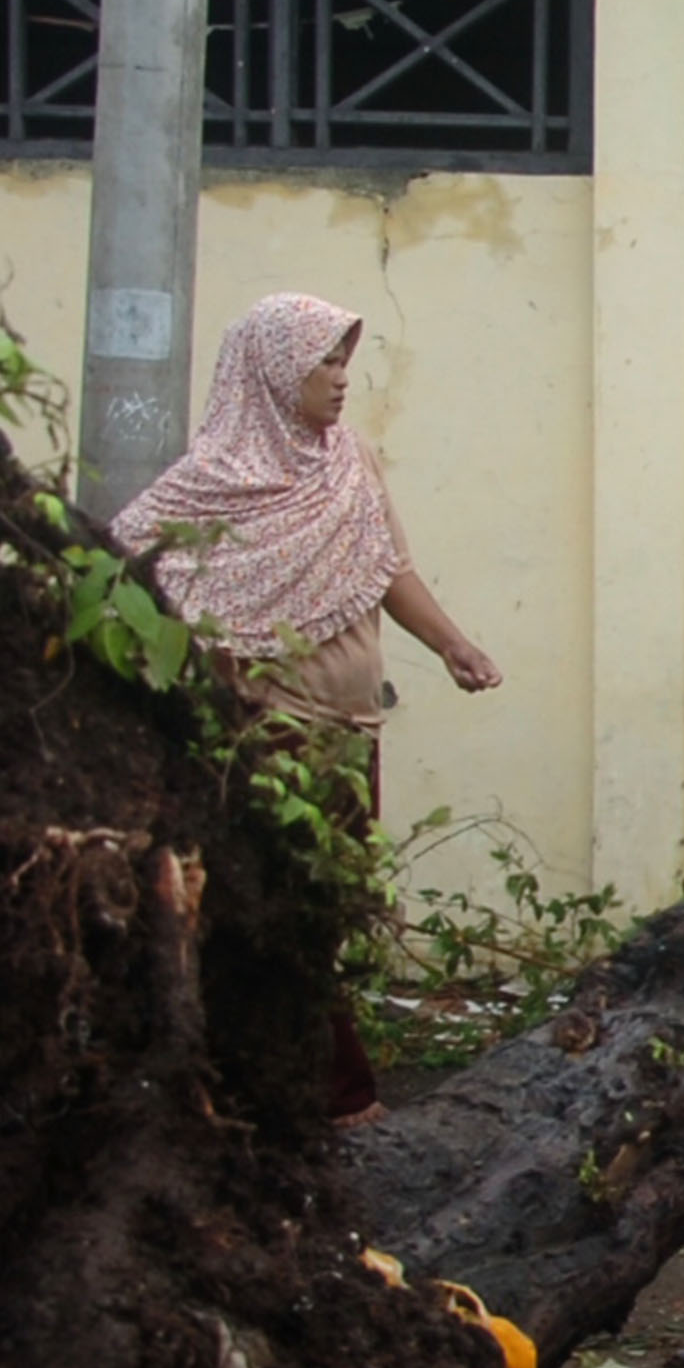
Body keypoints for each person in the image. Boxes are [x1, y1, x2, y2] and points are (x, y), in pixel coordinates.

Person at [113, 291, 502, 1120]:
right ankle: (335, 1096)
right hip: (266, 738)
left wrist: (453, 646)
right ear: (272, 371)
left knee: (322, 919)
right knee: (279, 914)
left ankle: (285, 1092)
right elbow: (130, 565)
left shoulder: (348, 462)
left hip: (348, 738)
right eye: (324, 362)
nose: (339, 380)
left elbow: (388, 568)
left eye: (344, 363)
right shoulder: (211, 486)